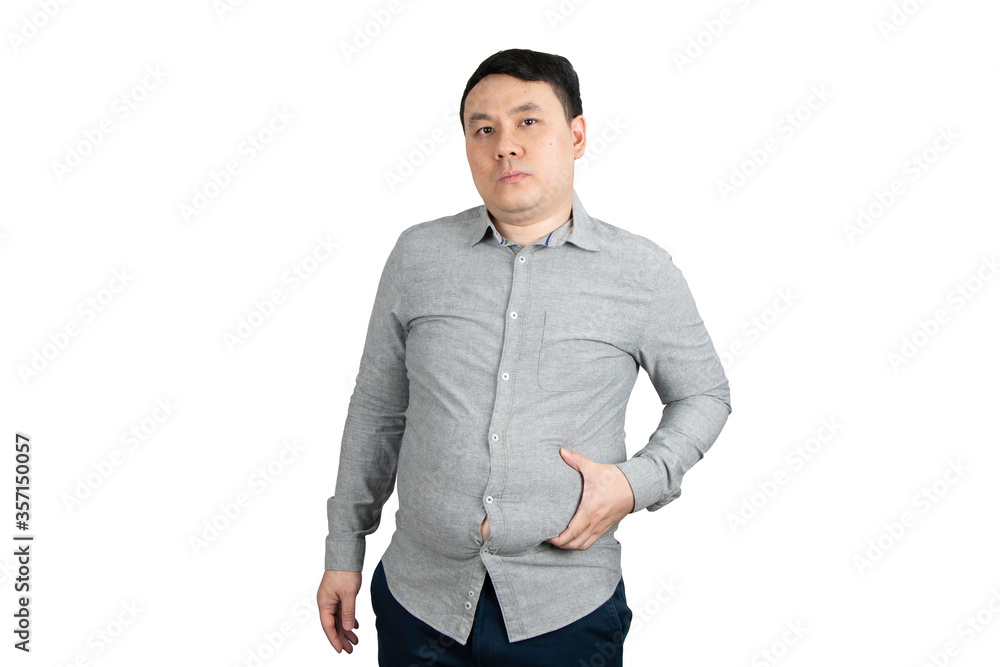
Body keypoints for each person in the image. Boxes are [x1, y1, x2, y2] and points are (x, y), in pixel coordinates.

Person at [317, 48, 731, 665]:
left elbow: (704, 395)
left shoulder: (641, 271)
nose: (504, 145)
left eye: (528, 121)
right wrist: (343, 551)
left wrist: (634, 482)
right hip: (418, 605)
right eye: (483, 129)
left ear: (577, 134)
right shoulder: (417, 257)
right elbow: (377, 411)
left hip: (565, 612)